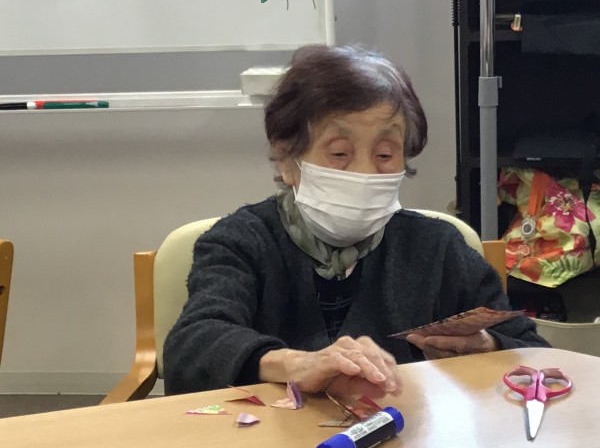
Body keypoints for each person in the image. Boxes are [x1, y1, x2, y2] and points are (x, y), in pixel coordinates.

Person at [163, 44, 547, 396]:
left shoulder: (436, 246)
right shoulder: (242, 240)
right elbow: (192, 347)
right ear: (287, 161)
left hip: (402, 435)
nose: (365, 172)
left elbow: (533, 352)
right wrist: (293, 364)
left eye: (384, 155)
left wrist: (486, 346)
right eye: (339, 153)